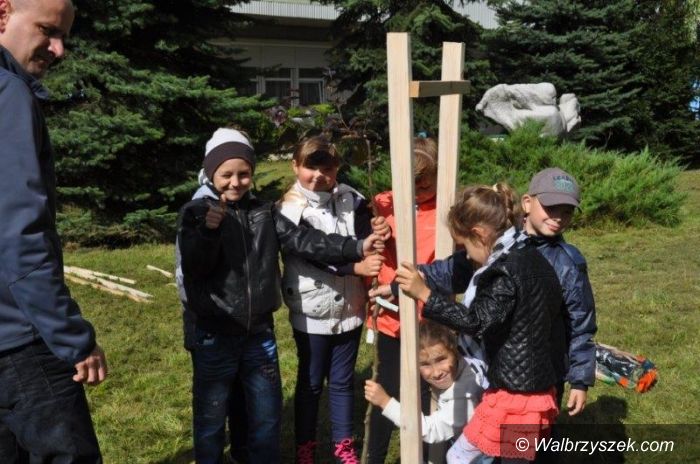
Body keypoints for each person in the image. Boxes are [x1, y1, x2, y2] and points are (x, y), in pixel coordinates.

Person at [176, 128, 387, 464]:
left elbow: (305, 241)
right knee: (211, 418)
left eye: (243, 174)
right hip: (216, 332)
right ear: (211, 173)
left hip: (259, 332)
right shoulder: (197, 213)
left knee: (266, 415)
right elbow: (193, 268)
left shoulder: (265, 212)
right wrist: (207, 232)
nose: (235, 182)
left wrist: (356, 247)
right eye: (226, 175)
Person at [0, 0, 107, 462]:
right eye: (47, 30)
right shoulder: (8, 94)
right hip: (22, 340)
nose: (58, 49)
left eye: (64, 36)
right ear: (3, 13)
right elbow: (19, 233)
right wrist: (71, 337)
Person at [395, 183, 565, 463]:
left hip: (517, 395)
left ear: (480, 234)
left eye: (464, 245)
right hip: (532, 384)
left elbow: (477, 321)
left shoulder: (503, 271)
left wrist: (424, 294)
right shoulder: (531, 257)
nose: (466, 255)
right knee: (470, 457)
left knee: (467, 458)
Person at [277, 136, 384, 464]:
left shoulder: (353, 199)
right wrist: (356, 264)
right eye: (311, 168)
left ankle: (343, 446)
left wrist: (379, 229)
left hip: (350, 307)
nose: (319, 176)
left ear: (337, 169)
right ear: (295, 166)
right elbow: (312, 249)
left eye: (327, 168)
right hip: (312, 310)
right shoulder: (287, 209)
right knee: (310, 384)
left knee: (341, 382)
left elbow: (366, 236)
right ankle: (305, 447)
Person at [365, 137, 439, 464]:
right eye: (411, 184)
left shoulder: (446, 209)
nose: (418, 191)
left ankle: (423, 453)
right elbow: (371, 251)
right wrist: (379, 235)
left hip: (428, 318)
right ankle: (374, 456)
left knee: (425, 388)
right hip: (390, 317)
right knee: (386, 388)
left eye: (425, 184)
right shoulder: (384, 204)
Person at [521, 167, 597, 415]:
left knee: (539, 430)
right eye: (551, 207)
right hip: (499, 367)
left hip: (547, 370)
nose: (558, 217)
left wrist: (579, 380)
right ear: (527, 203)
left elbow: (581, 322)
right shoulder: (502, 244)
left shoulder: (569, 263)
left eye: (566, 211)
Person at [364, 320, 482, 447]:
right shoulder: (464, 354)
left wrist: (385, 402)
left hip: (478, 447)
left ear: (454, 351)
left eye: (441, 360)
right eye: (425, 364)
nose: (436, 372)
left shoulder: (465, 394)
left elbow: (432, 430)